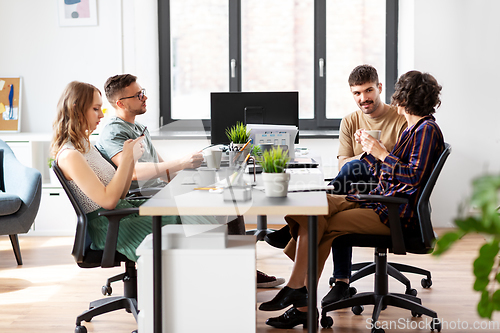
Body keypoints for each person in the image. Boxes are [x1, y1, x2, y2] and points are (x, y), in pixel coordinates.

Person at [259, 70, 445, 329]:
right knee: (316, 206)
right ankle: (297, 293)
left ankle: (300, 299)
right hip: (378, 199)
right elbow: (389, 171)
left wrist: (380, 152)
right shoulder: (414, 129)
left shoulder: (425, 130)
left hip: (392, 212)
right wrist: (369, 151)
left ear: (402, 99)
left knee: (322, 223)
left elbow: (412, 178)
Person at [97, 74, 284, 287]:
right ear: (121, 103)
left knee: (229, 200)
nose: (144, 97)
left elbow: (162, 168)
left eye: (143, 92)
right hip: (142, 197)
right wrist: (182, 162)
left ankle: (243, 269)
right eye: (138, 95)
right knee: (222, 204)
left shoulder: (138, 128)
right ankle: (233, 273)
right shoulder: (114, 131)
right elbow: (133, 172)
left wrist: (194, 173)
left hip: (159, 190)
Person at [265, 65, 407, 290]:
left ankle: (300, 232)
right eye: (357, 93)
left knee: (345, 180)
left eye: (369, 91)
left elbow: (401, 168)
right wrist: (366, 153)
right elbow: (343, 162)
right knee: (348, 176)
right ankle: (338, 279)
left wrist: (376, 151)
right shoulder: (350, 121)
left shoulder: (400, 120)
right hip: (353, 184)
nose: (364, 98)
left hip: (385, 187)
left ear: (379, 88)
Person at [50, 81, 218, 262]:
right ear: (76, 109)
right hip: (110, 227)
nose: (101, 115)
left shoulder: (86, 146)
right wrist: (128, 159)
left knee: (193, 207)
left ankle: (219, 269)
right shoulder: (70, 155)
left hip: (122, 214)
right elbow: (108, 201)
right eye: (96, 109)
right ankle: (219, 271)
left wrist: (130, 161)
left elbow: (120, 194)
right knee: (190, 214)